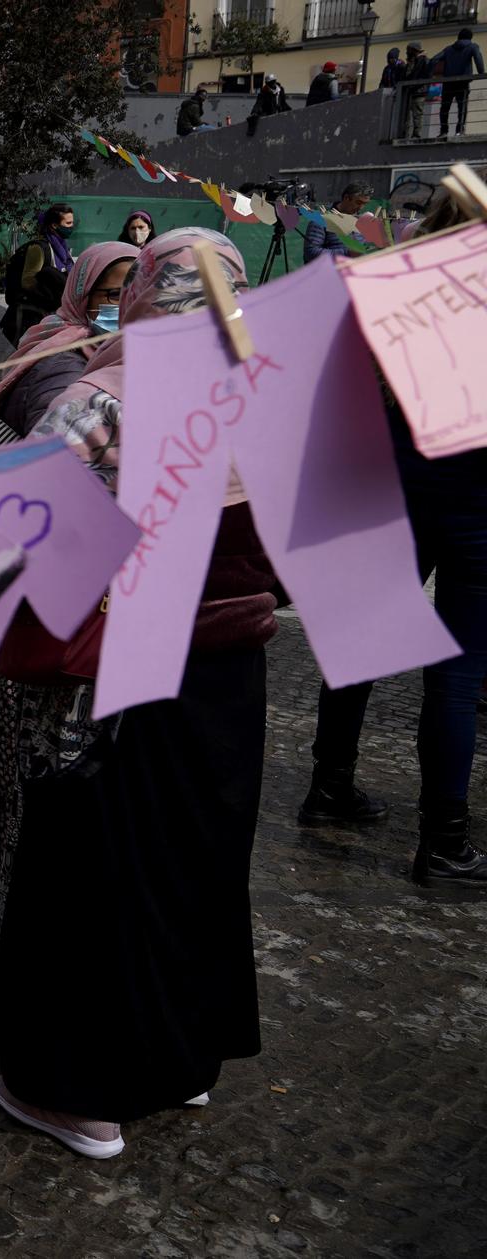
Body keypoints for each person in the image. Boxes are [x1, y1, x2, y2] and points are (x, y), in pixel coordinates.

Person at [0, 228, 279, 1159]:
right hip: (233, 673)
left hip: (124, 668)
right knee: (198, 862)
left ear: (152, 295)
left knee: (90, 870)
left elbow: (13, 526)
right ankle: (183, 1059)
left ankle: (77, 1092)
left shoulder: (104, 396)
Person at [0, 242, 138, 904]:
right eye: (110, 293)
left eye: (134, 290)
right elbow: (45, 487)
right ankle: (0, 880)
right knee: (15, 748)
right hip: (20, 582)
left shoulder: (78, 355)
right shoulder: (67, 371)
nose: (123, 305)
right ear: (83, 292)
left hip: (0, 575)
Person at [296, 189, 487, 888]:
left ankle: (329, 783)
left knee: (363, 641)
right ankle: (443, 840)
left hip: (396, 484)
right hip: (475, 501)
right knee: (457, 676)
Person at [0, 203, 75, 344]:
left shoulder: (63, 250)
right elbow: (27, 280)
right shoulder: (39, 248)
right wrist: (51, 293)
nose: (71, 227)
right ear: (54, 225)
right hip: (34, 317)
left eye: (72, 222)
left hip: (54, 315)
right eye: (68, 223)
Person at [302, 181, 372, 262]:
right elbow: (310, 253)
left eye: (365, 204)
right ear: (346, 198)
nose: (361, 208)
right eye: (358, 202)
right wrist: (347, 253)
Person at [434, 28, 484, 136]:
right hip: (463, 82)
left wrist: (428, 74)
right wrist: (481, 73)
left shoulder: (448, 49)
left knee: (445, 107)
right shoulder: (472, 46)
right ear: (470, 38)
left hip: (448, 83)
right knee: (462, 107)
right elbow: (478, 58)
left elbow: (434, 59)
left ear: (458, 37)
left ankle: (443, 131)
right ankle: (459, 130)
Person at [402, 41, 433, 139]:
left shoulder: (422, 60)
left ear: (413, 50)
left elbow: (418, 75)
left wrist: (412, 85)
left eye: (408, 50)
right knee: (409, 115)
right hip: (412, 91)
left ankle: (416, 134)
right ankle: (407, 133)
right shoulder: (413, 61)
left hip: (419, 91)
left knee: (417, 114)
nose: (407, 52)